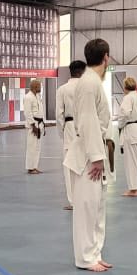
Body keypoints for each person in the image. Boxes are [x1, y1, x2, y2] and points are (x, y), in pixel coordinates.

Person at [65, 39, 112, 272]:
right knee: (86, 209)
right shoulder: (88, 83)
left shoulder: (92, 81)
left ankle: (94, 253)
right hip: (87, 155)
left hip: (93, 149)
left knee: (96, 208)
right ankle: (85, 258)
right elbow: (87, 120)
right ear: (106, 57)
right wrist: (96, 157)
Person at [55, 62, 85, 209]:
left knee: (69, 164)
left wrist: (63, 131)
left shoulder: (63, 89)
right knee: (85, 162)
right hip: (86, 126)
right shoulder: (88, 88)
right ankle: (85, 198)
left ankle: (73, 201)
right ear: (82, 72)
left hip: (69, 126)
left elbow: (58, 114)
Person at [117, 77, 137, 197]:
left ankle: (133, 189)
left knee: (131, 162)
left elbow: (125, 113)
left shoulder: (128, 98)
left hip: (131, 130)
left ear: (125, 87)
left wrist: (120, 125)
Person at [22, 79, 44, 174]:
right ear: (35, 87)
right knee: (31, 147)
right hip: (34, 125)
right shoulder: (28, 97)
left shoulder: (37, 96)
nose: (40, 87)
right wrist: (33, 125)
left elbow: (40, 111)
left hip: (40, 124)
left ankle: (35, 166)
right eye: (39, 86)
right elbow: (27, 113)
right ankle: (30, 168)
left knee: (37, 147)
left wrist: (42, 124)